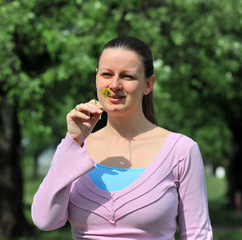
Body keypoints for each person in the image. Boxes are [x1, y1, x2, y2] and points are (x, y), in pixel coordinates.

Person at [31, 36, 213, 239]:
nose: (115, 84)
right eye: (107, 74)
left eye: (127, 76)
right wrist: (72, 142)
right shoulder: (76, 147)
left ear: (148, 84)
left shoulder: (181, 150)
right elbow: (45, 220)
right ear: (97, 78)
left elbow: (198, 234)